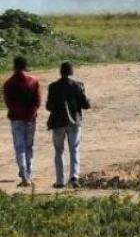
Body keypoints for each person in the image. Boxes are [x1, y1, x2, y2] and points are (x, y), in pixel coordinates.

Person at [46, 62, 90, 189]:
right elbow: (86, 105)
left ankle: (60, 181)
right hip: (74, 122)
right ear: (71, 72)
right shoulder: (77, 85)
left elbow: (49, 106)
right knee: (74, 149)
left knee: (59, 151)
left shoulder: (52, 87)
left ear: (61, 72)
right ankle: (74, 178)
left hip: (57, 122)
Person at [4, 56, 41, 188]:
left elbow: (9, 103)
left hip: (16, 119)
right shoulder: (33, 81)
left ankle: (24, 176)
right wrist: (30, 113)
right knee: (29, 146)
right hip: (31, 118)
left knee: (20, 147)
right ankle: (28, 173)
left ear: (14, 66)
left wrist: (19, 113)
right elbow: (37, 102)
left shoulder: (9, 83)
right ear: (25, 66)